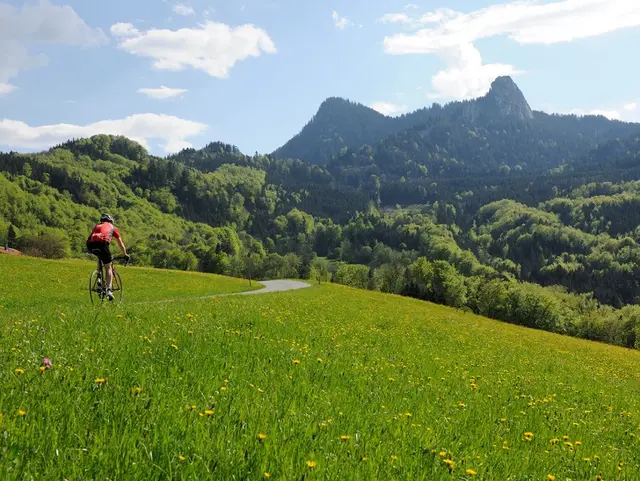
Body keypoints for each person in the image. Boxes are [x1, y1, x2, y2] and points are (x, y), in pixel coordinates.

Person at [86, 213, 129, 301]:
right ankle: (109, 290)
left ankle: (99, 277)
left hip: (90, 245)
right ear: (111, 221)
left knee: (100, 257)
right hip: (102, 244)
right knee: (108, 267)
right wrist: (125, 254)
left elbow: (89, 238)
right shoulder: (113, 228)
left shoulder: (97, 226)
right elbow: (120, 244)